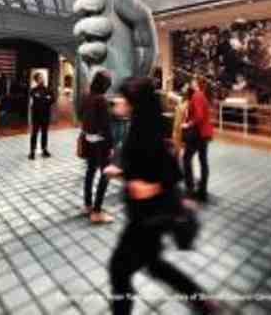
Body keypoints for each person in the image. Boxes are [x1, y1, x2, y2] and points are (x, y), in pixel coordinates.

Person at [104, 77, 219, 315]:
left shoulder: (143, 132)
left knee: (119, 270)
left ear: (134, 103)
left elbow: (164, 173)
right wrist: (124, 172)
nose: (117, 102)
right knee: (155, 266)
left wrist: (146, 186)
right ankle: (201, 301)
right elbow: (164, 166)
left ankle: (123, 310)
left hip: (146, 218)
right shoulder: (146, 126)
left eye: (123, 98)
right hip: (150, 216)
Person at [81, 69, 115, 224]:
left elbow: (81, 115)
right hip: (101, 142)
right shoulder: (101, 99)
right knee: (106, 174)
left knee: (90, 171)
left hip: (89, 139)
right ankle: (97, 211)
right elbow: (106, 125)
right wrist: (111, 145)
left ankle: (87, 205)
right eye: (108, 82)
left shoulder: (88, 97)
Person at [182, 76, 214, 203]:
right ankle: (202, 190)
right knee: (203, 160)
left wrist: (188, 124)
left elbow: (199, 116)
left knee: (186, 158)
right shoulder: (202, 95)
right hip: (204, 133)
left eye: (193, 81)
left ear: (196, 83)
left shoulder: (197, 95)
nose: (191, 82)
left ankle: (190, 188)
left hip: (198, 133)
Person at [28, 72, 54, 160]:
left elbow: (53, 99)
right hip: (36, 116)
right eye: (40, 78)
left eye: (42, 77)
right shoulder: (33, 90)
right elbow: (36, 98)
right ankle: (32, 151)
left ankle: (44, 150)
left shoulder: (48, 89)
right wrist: (46, 98)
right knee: (34, 133)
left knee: (44, 133)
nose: (42, 79)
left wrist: (41, 98)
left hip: (45, 115)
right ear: (36, 80)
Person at [171, 87, 193, 159]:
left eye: (185, 92)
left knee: (179, 139)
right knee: (175, 137)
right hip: (177, 124)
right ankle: (177, 153)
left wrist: (186, 123)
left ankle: (178, 153)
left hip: (181, 124)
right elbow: (170, 95)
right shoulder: (181, 100)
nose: (183, 93)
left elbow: (187, 114)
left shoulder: (188, 103)